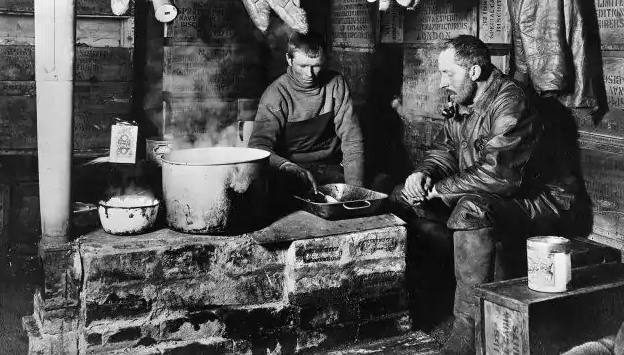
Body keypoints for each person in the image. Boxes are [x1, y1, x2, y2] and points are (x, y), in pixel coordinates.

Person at [391, 35, 588, 355]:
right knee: (402, 197)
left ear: (473, 71)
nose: (442, 83)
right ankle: (431, 301)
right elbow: (445, 151)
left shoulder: (512, 101)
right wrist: (424, 175)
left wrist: (441, 190)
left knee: (470, 211)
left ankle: (465, 329)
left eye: (447, 73)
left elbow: (501, 177)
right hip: (493, 195)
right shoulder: (463, 102)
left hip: (543, 201)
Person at [248, 31, 365, 209]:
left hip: (330, 167)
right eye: (302, 66)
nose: (309, 74)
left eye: (316, 66)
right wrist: (288, 167)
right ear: (289, 59)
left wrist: (354, 194)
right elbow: (258, 146)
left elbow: (352, 140)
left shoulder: (336, 85)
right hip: (292, 170)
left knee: (379, 185)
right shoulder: (276, 94)